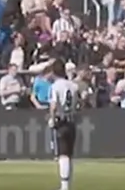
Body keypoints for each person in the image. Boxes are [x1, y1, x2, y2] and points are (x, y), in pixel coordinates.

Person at [47, 58, 80, 190]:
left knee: (62, 154)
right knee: (69, 154)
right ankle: (68, 184)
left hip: (61, 121)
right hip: (71, 119)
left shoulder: (55, 86)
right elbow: (78, 103)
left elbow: (54, 105)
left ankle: (64, 186)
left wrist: (52, 118)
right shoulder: (73, 85)